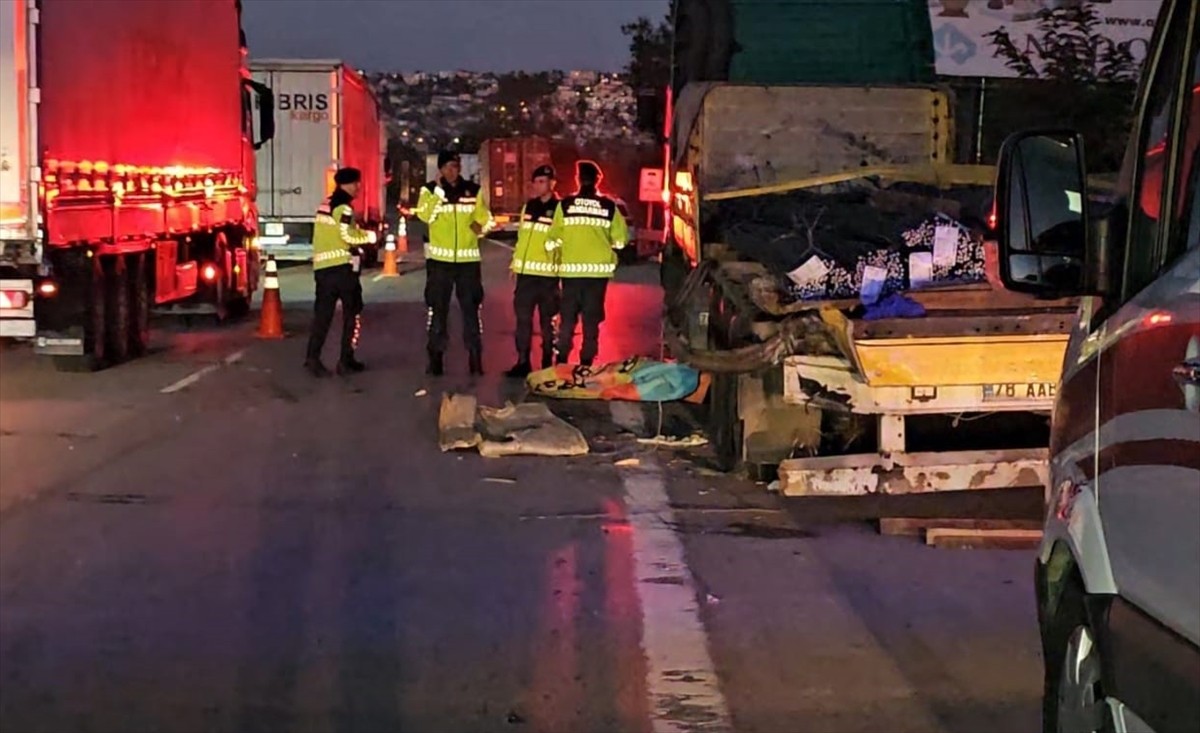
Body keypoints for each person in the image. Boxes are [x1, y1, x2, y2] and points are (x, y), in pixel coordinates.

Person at [415, 150, 493, 376]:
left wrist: (482, 228)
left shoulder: (473, 191)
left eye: (456, 166)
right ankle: (436, 357)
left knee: (471, 311)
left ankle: (475, 357)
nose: (453, 170)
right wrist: (439, 192)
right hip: (441, 263)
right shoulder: (429, 191)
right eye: (448, 167)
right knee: (438, 311)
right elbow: (425, 216)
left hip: (468, 262)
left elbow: (485, 218)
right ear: (440, 169)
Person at [546, 160, 628, 368]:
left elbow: (553, 237)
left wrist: (556, 249)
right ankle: (586, 364)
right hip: (597, 276)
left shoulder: (565, 205)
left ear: (578, 179)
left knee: (567, 320)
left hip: (571, 275)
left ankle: (562, 361)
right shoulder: (609, 206)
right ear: (598, 180)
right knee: (591, 321)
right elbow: (621, 240)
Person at [305, 166, 375, 378]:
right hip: (342, 270)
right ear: (345, 184)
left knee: (322, 316)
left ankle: (312, 358)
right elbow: (348, 235)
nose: (358, 187)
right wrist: (370, 237)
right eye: (355, 183)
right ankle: (346, 359)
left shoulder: (324, 205)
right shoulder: (343, 208)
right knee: (352, 313)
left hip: (323, 270)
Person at [505, 164, 562, 378]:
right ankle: (522, 362)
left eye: (542, 182)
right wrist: (515, 264)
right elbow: (522, 239)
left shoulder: (560, 209)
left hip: (548, 277)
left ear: (552, 184)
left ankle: (547, 363)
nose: (538, 186)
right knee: (523, 321)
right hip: (526, 276)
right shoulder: (528, 207)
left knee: (547, 323)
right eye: (536, 182)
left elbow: (562, 239)